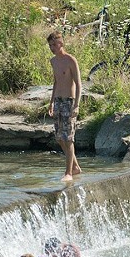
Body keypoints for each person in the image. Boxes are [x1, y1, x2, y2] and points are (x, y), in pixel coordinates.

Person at [47, 31, 82, 182]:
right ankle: (75, 167)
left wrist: (76, 105)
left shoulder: (70, 60)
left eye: (54, 44)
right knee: (59, 138)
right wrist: (51, 102)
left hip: (69, 101)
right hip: (58, 101)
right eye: (50, 45)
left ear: (61, 43)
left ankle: (68, 173)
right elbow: (55, 82)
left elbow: (79, 84)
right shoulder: (53, 61)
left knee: (68, 138)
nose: (52, 48)